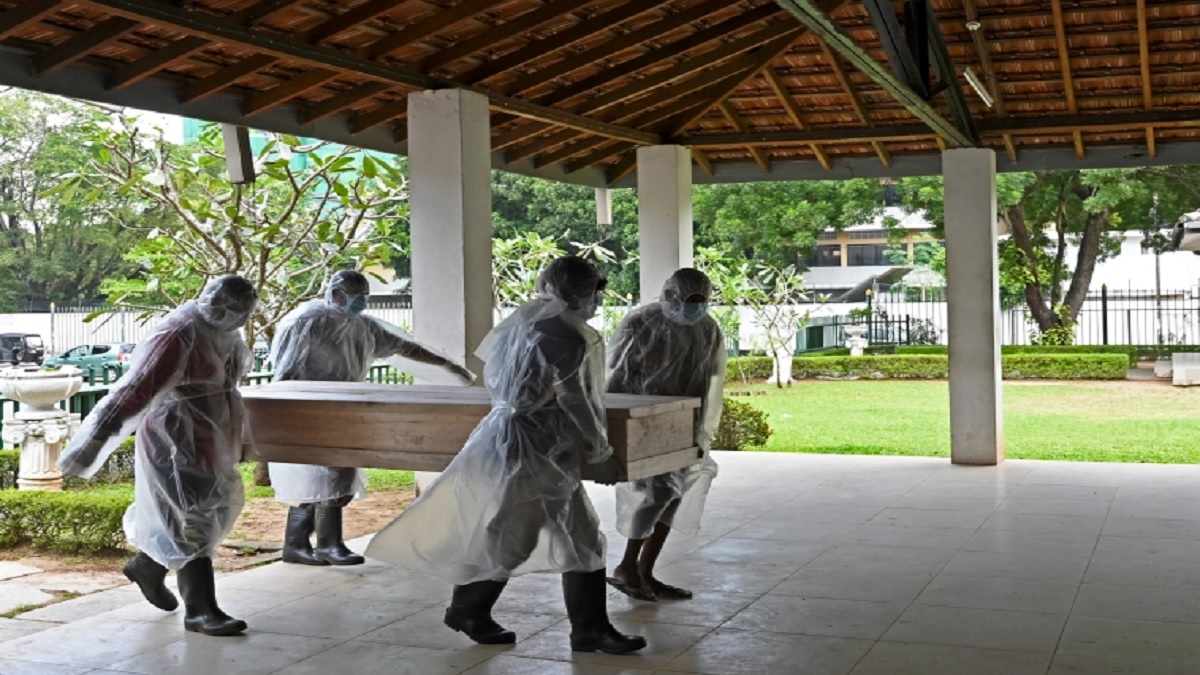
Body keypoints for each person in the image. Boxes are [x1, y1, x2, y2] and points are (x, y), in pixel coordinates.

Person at [366, 256, 646, 655]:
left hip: (516, 440)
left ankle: (586, 628)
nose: (599, 297)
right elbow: (577, 400)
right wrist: (599, 451)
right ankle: (471, 608)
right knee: (516, 535)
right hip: (535, 448)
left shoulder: (523, 324)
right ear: (579, 291)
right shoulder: (567, 336)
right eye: (597, 288)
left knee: (577, 536)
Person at [59, 275, 259, 637]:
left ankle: (147, 567)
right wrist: (88, 447)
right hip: (175, 437)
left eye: (246, 311)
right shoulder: (178, 333)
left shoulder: (224, 330)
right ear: (215, 301)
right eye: (236, 308)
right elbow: (135, 390)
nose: (241, 317)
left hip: (213, 435)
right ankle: (200, 610)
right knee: (190, 518)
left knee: (210, 509)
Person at [268, 270, 475, 567]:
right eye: (356, 296)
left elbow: (403, 347)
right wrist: (286, 410)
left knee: (338, 475)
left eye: (364, 296)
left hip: (344, 409)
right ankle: (306, 544)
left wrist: (448, 365)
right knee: (315, 475)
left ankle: (321, 544)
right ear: (337, 294)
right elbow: (287, 370)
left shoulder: (360, 325)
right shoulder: (307, 322)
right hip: (311, 408)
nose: (361, 302)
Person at [606, 268, 726, 602]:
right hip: (644, 421)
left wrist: (700, 430)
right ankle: (627, 566)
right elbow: (615, 376)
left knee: (673, 496)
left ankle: (645, 570)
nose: (695, 307)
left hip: (684, 423)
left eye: (701, 301)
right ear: (671, 295)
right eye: (689, 300)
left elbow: (710, 380)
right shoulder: (641, 323)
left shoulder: (707, 328)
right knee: (653, 496)